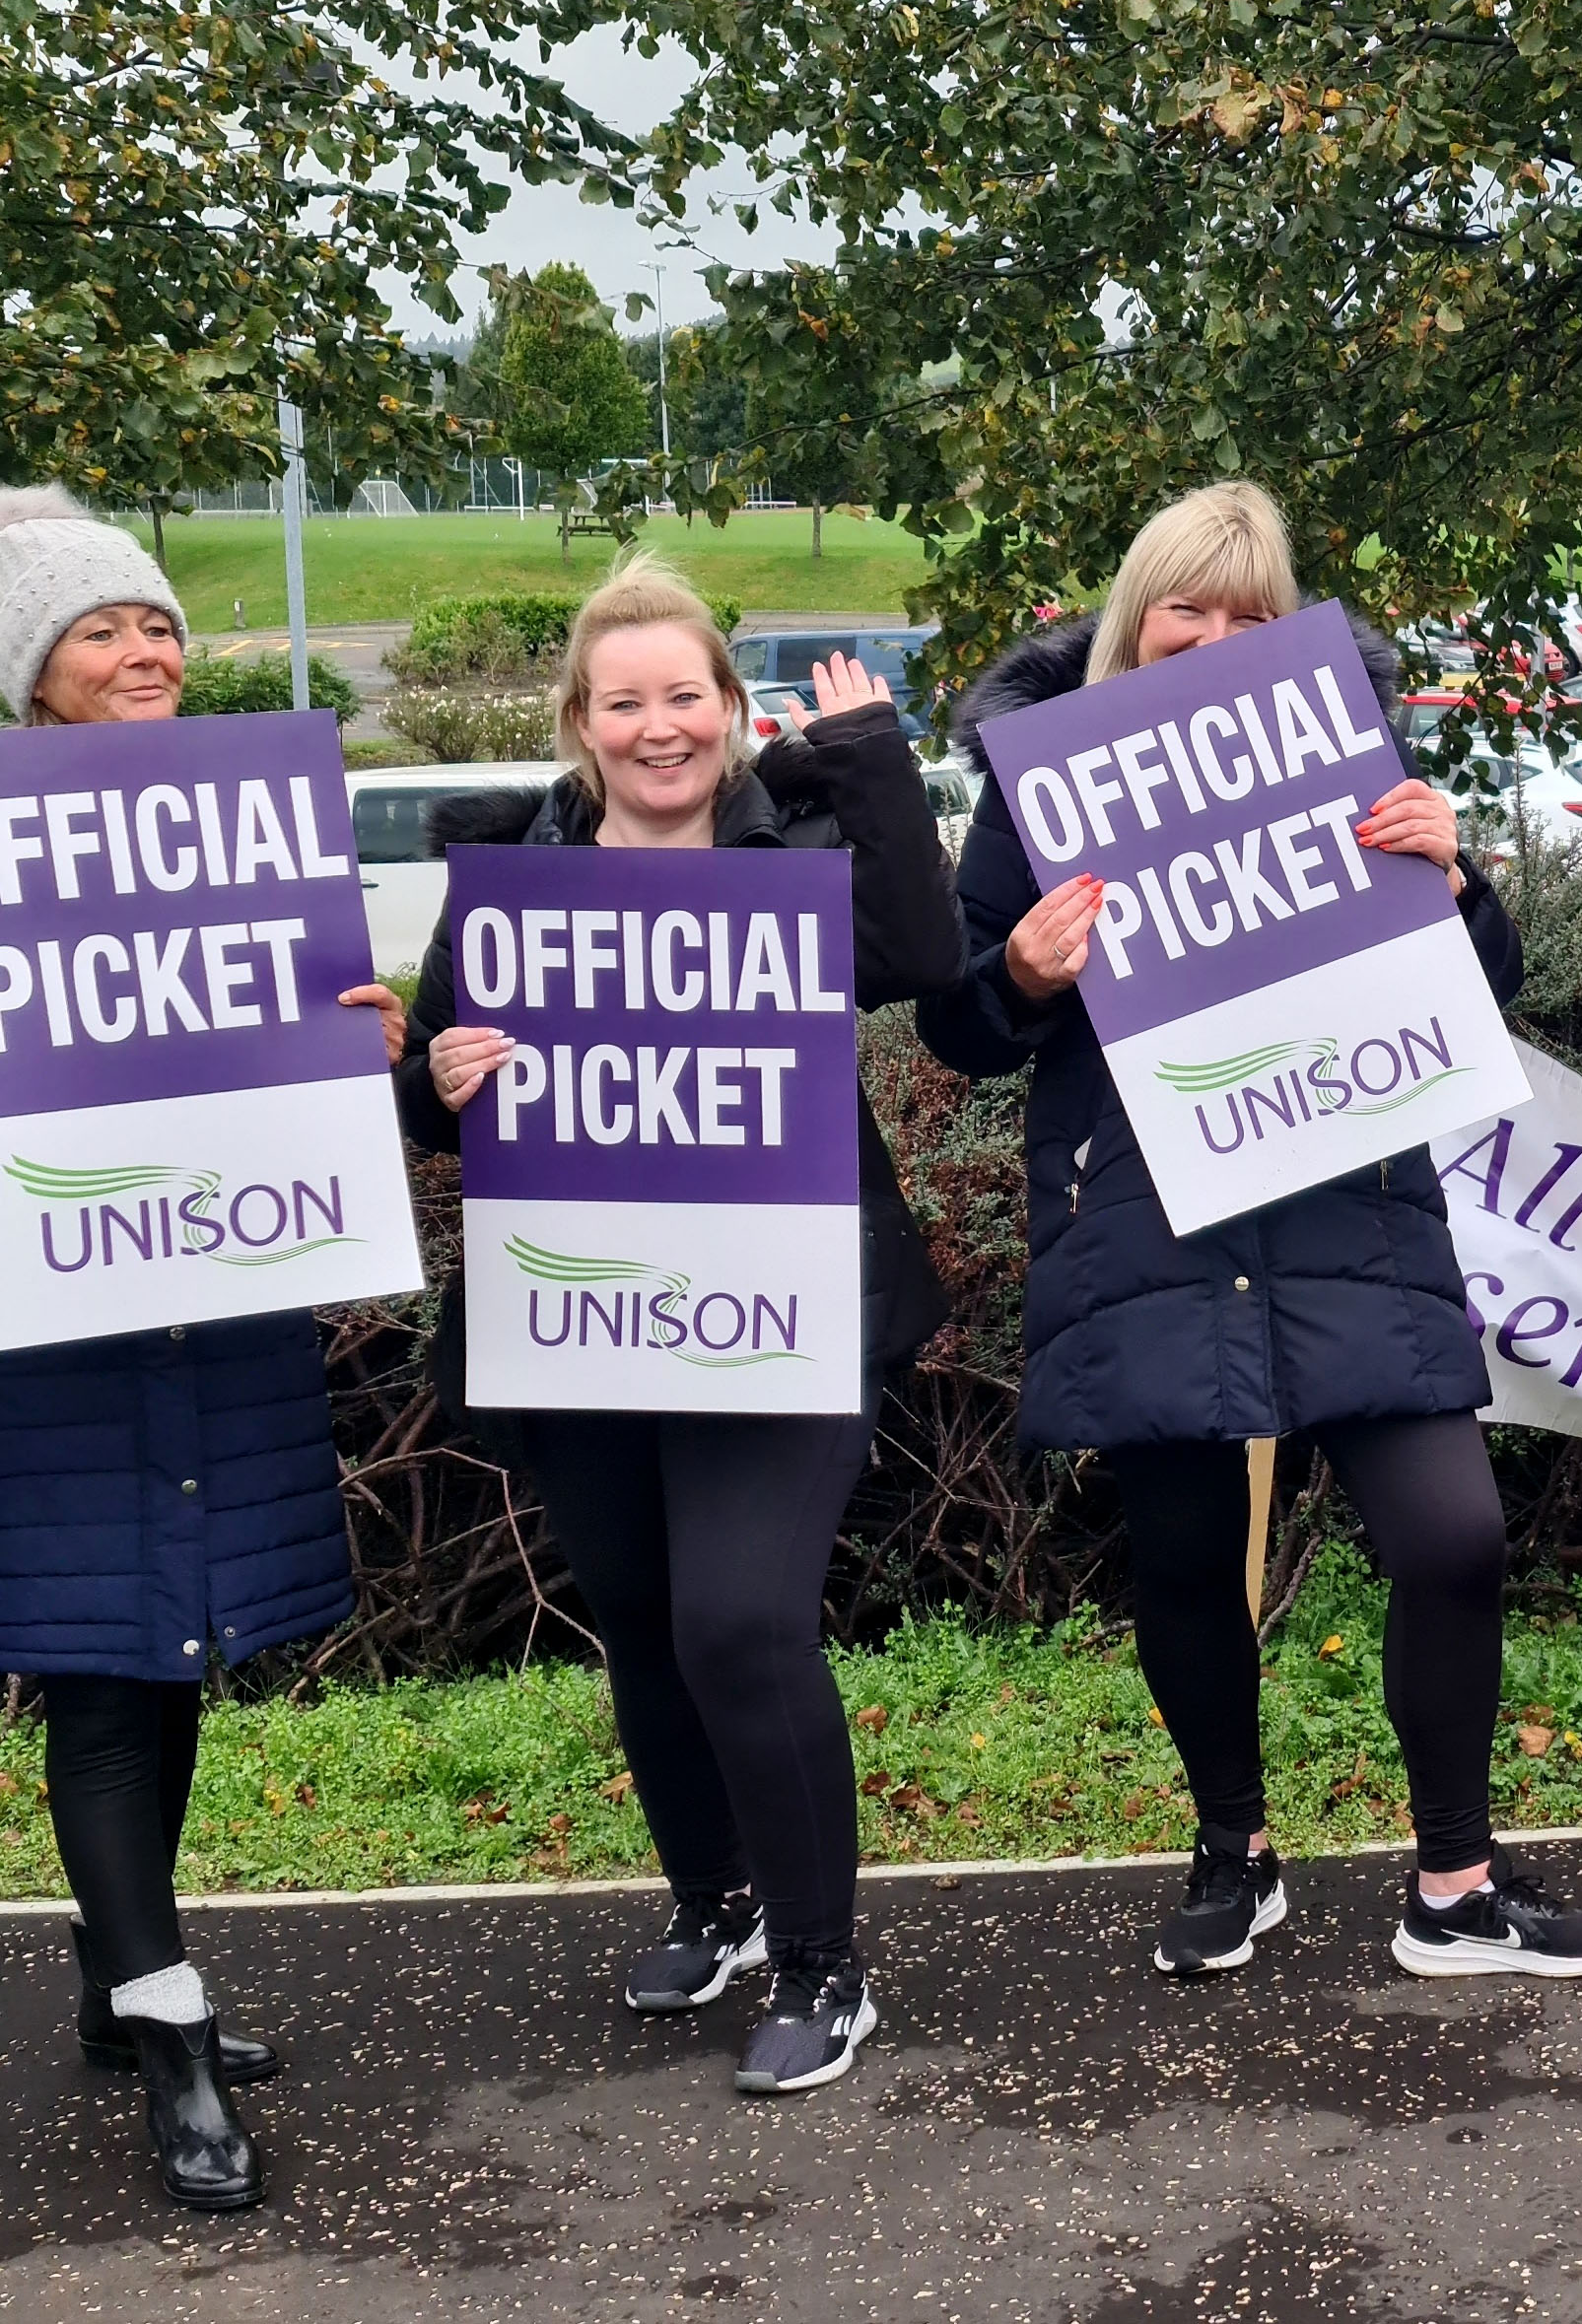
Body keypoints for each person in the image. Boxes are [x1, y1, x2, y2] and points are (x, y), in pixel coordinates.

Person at [915, 483, 1582, 1981]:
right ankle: (1231, 1848)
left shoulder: (1346, 750)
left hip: (1345, 1199)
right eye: (1186, 608)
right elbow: (959, 1028)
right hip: (1144, 1211)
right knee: (1185, 1558)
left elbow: (1477, 983)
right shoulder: (1040, 788)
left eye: (1251, 613)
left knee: (1452, 1536)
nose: (1215, 636)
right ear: (1136, 617)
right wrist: (1025, 974)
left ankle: (1456, 1886)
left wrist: (1457, 883)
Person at [0, 487, 404, 2209]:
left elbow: (298, 1053)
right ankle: (169, 2034)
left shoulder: (253, 836)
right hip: (52, 1331)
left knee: (178, 1659)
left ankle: (114, 1977)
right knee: (102, 1677)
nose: (146, 650)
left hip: (216, 1310)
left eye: (158, 622)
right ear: (36, 673)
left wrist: (361, 1039)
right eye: (103, 629)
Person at [391, 556, 962, 2094]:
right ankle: (715, 1903)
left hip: (780, 1307)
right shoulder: (513, 874)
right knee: (644, 1617)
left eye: (686, 696)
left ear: (727, 705)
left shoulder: (805, 844)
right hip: (584, 1316)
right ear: (581, 720)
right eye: (626, 701)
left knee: (740, 1621)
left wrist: (873, 757)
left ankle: (825, 1966)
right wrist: (438, 1076)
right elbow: (430, 1097)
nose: (661, 728)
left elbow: (925, 960)